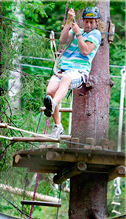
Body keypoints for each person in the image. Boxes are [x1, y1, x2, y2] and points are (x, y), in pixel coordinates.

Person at [44, 7, 102, 139]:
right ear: (82, 21)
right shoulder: (77, 30)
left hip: (79, 71)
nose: (88, 25)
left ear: (96, 23)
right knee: (50, 91)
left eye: (91, 22)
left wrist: (78, 34)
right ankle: (57, 126)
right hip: (63, 69)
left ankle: (52, 104)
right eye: (86, 22)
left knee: (65, 79)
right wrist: (69, 21)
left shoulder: (96, 34)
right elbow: (63, 40)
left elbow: (85, 51)